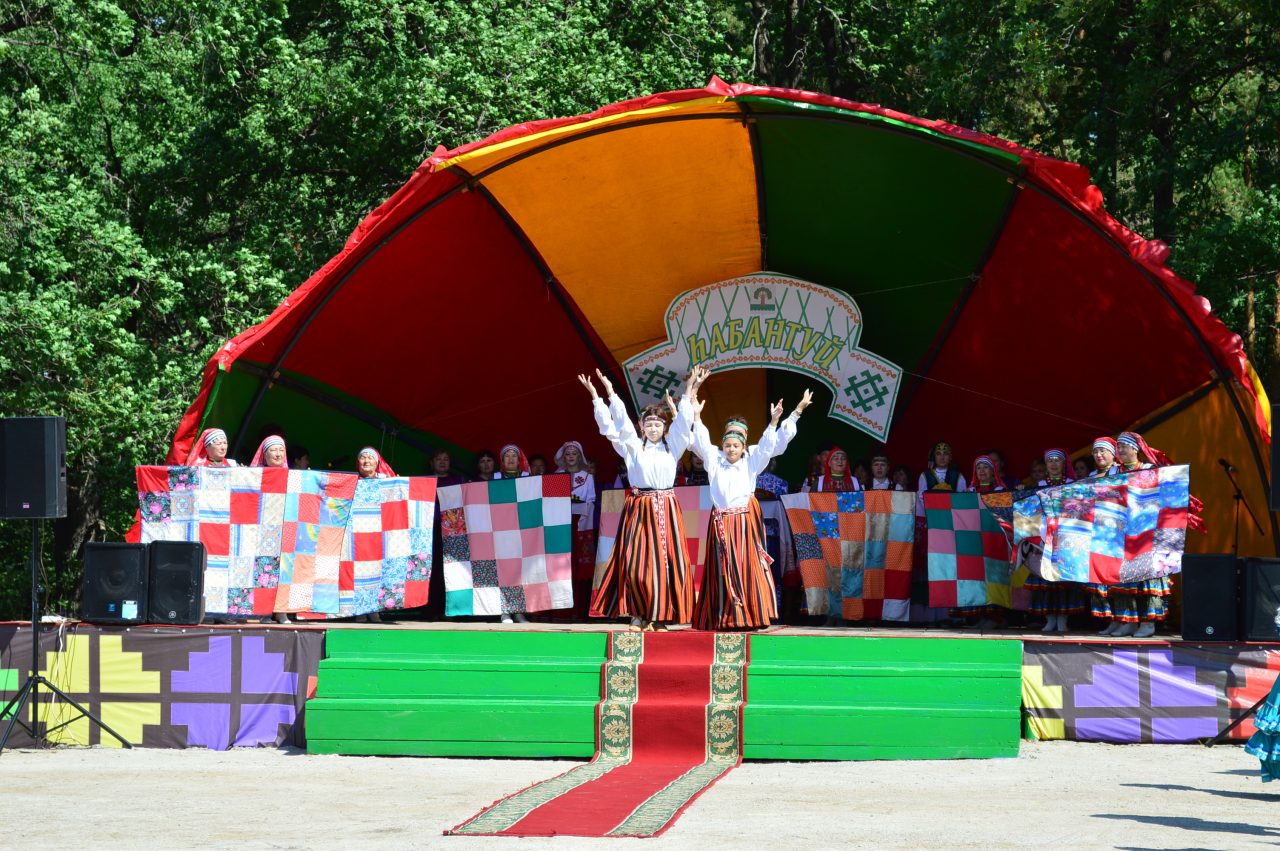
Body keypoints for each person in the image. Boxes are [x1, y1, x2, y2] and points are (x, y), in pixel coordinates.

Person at [687, 364, 811, 631]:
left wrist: (785, 417)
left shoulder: (751, 459)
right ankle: (722, 616)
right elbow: (701, 440)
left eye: (736, 443)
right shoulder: (714, 460)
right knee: (721, 568)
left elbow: (770, 445)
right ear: (723, 444)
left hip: (743, 522)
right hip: (721, 521)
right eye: (728, 444)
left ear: (744, 443)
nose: (731, 448)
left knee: (746, 566)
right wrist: (695, 413)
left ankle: (749, 615)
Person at [581, 370, 695, 632]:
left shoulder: (673, 447)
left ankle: (660, 615)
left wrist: (689, 389)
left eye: (658, 425)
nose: (653, 429)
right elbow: (616, 426)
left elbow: (684, 421)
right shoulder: (632, 447)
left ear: (664, 427)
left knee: (665, 561)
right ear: (641, 426)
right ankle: (637, 614)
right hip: (639, 507)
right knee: (636, 562)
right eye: (649, 424)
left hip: (666, 507)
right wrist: (605, 394)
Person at [1095, 431, 1174, 638]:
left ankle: (1148, 623)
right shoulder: (1113, 471)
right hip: (1120, 534)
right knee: (1122, 579)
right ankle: (1127, 621)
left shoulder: (1148, 469)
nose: (1120, 450)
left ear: (1135, 449)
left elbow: (1163, 495)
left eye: (1124, 446)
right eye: (1118, 447)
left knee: (1146, 578)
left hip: (1145, 534)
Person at [1027, 448, 1085, 632]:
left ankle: (1063, 620)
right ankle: (1050, 619)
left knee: (1063, 579)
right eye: (1049, 461)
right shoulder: (1038, 485)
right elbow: (1031, 511)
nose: (1053, 464)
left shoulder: (1073, 484)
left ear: (1064, 464)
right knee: (1046, 578)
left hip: (1067, 537)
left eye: (1057, 460)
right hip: (1044, 537)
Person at [555, 440, 597, 619]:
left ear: (580, 457)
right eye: (568, 454)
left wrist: (581, 508)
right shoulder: (556, 475)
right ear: (563, 457)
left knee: (579, 566)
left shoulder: (587, 476)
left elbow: (591, 500)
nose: (571, 457)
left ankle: (578, 609)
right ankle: (560, 611)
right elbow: (552, 500)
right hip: (561, 525)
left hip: (580, 525)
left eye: (574, 454)